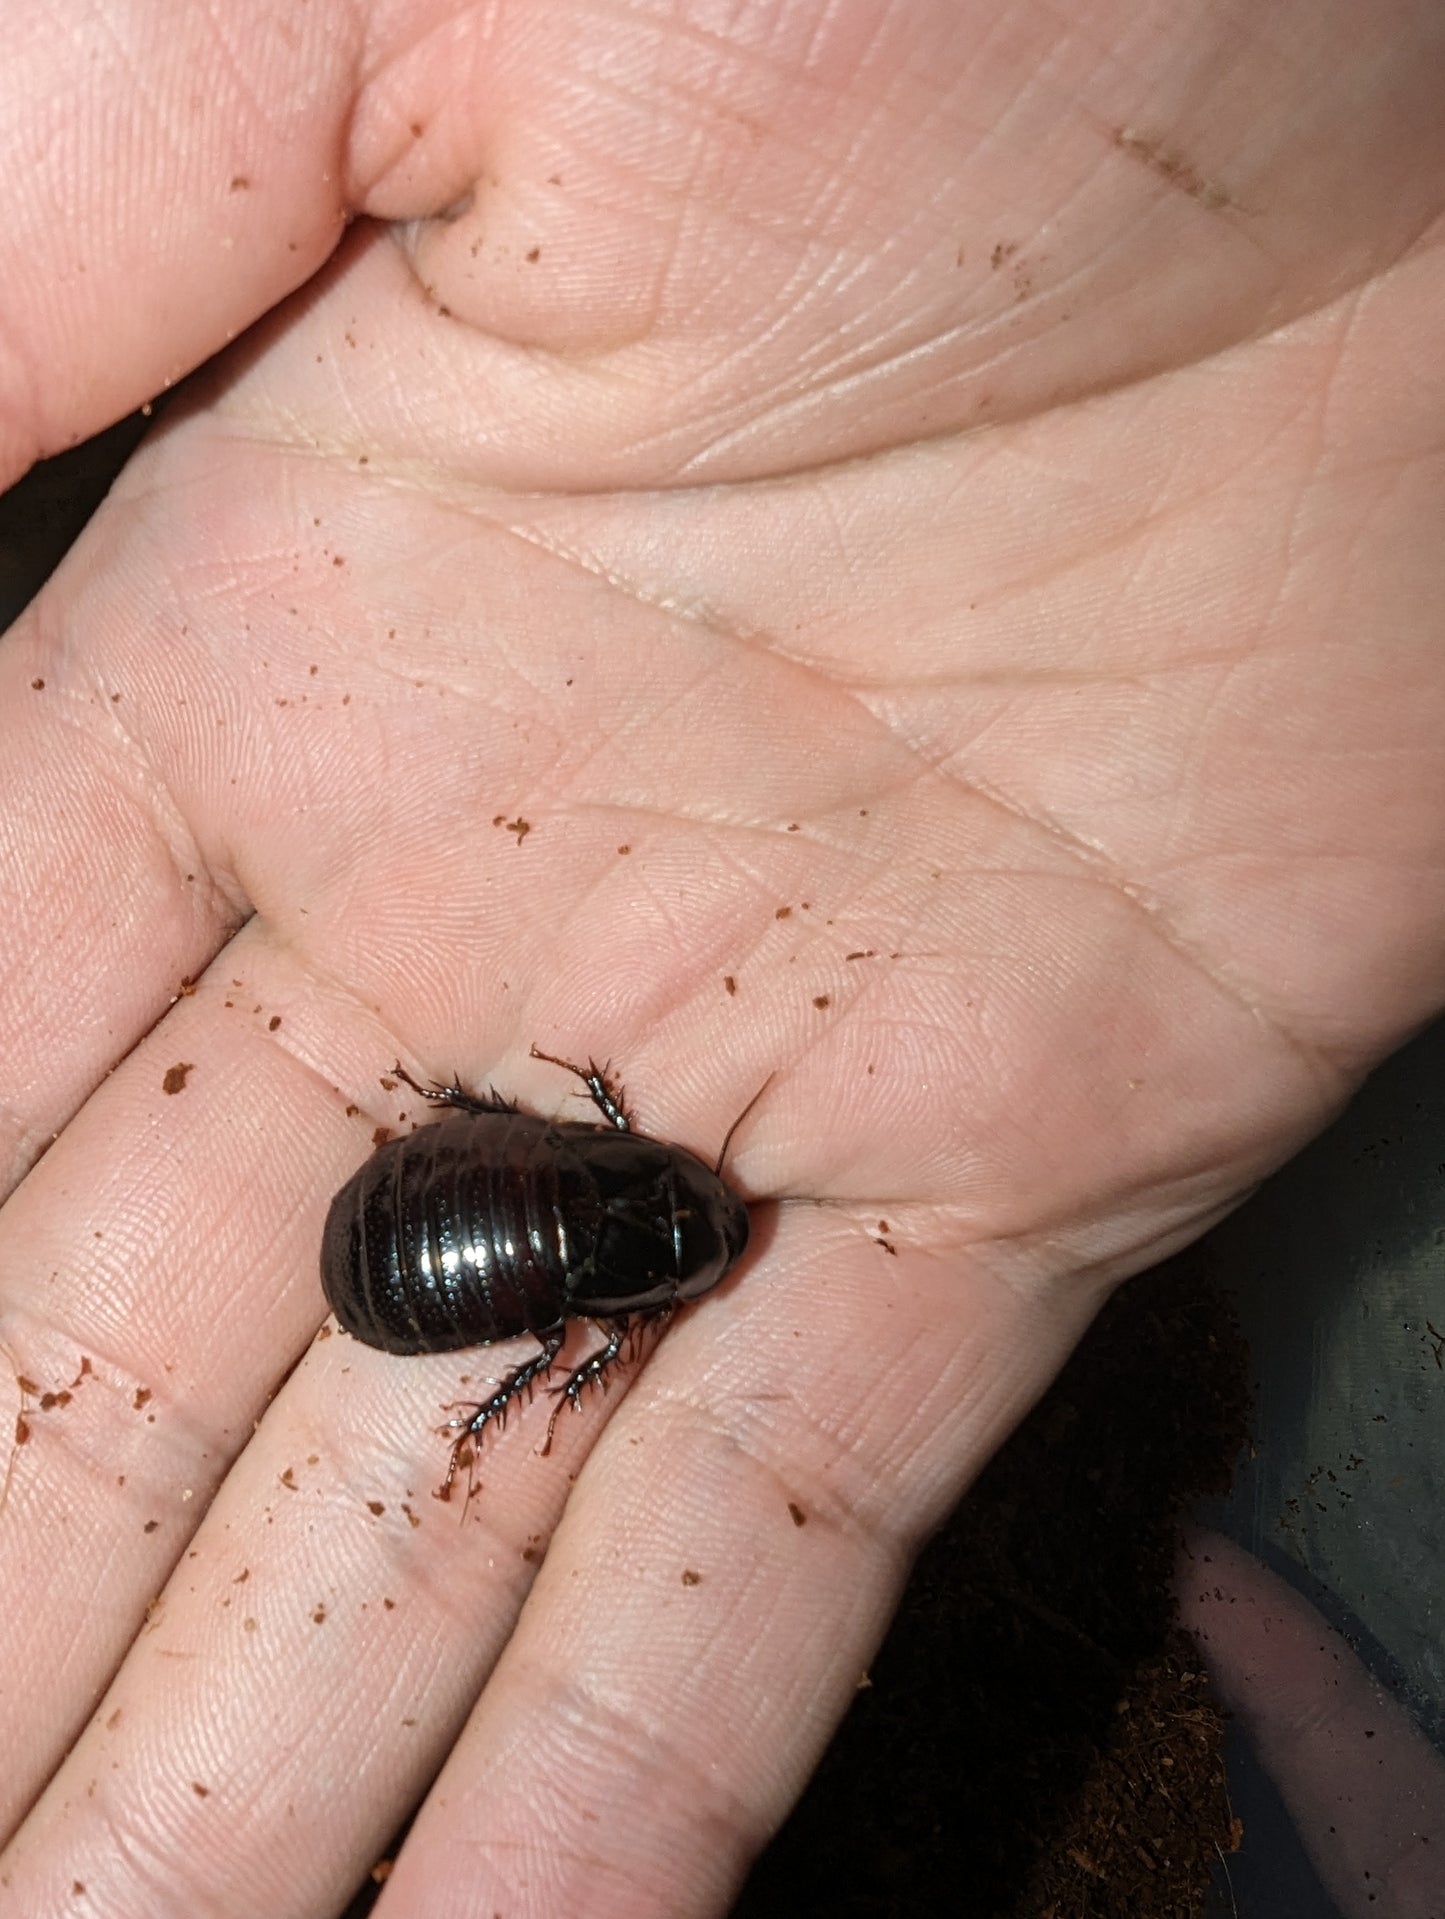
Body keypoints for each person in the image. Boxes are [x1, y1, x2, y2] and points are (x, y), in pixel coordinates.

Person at [1, 4, 1442, 1912]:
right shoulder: (619, 1211)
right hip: (442, 1234)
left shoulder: (616, 1177)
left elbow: (556, 1137)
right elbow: (552, 1162)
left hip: (445, 1223)